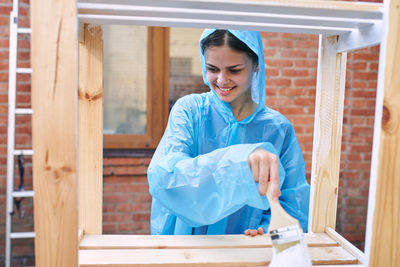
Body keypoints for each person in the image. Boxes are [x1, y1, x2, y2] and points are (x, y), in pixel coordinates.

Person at [147, 29, 310, 236]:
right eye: (212, 69)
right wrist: (242, 161)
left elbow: (291, 204)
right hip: (188, 249)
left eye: (234, 70)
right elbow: (165, 178)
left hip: (244, 252)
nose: (222, 80)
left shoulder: (278, 129)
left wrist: (267, 232)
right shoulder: (190, 111)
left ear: (256, 64)